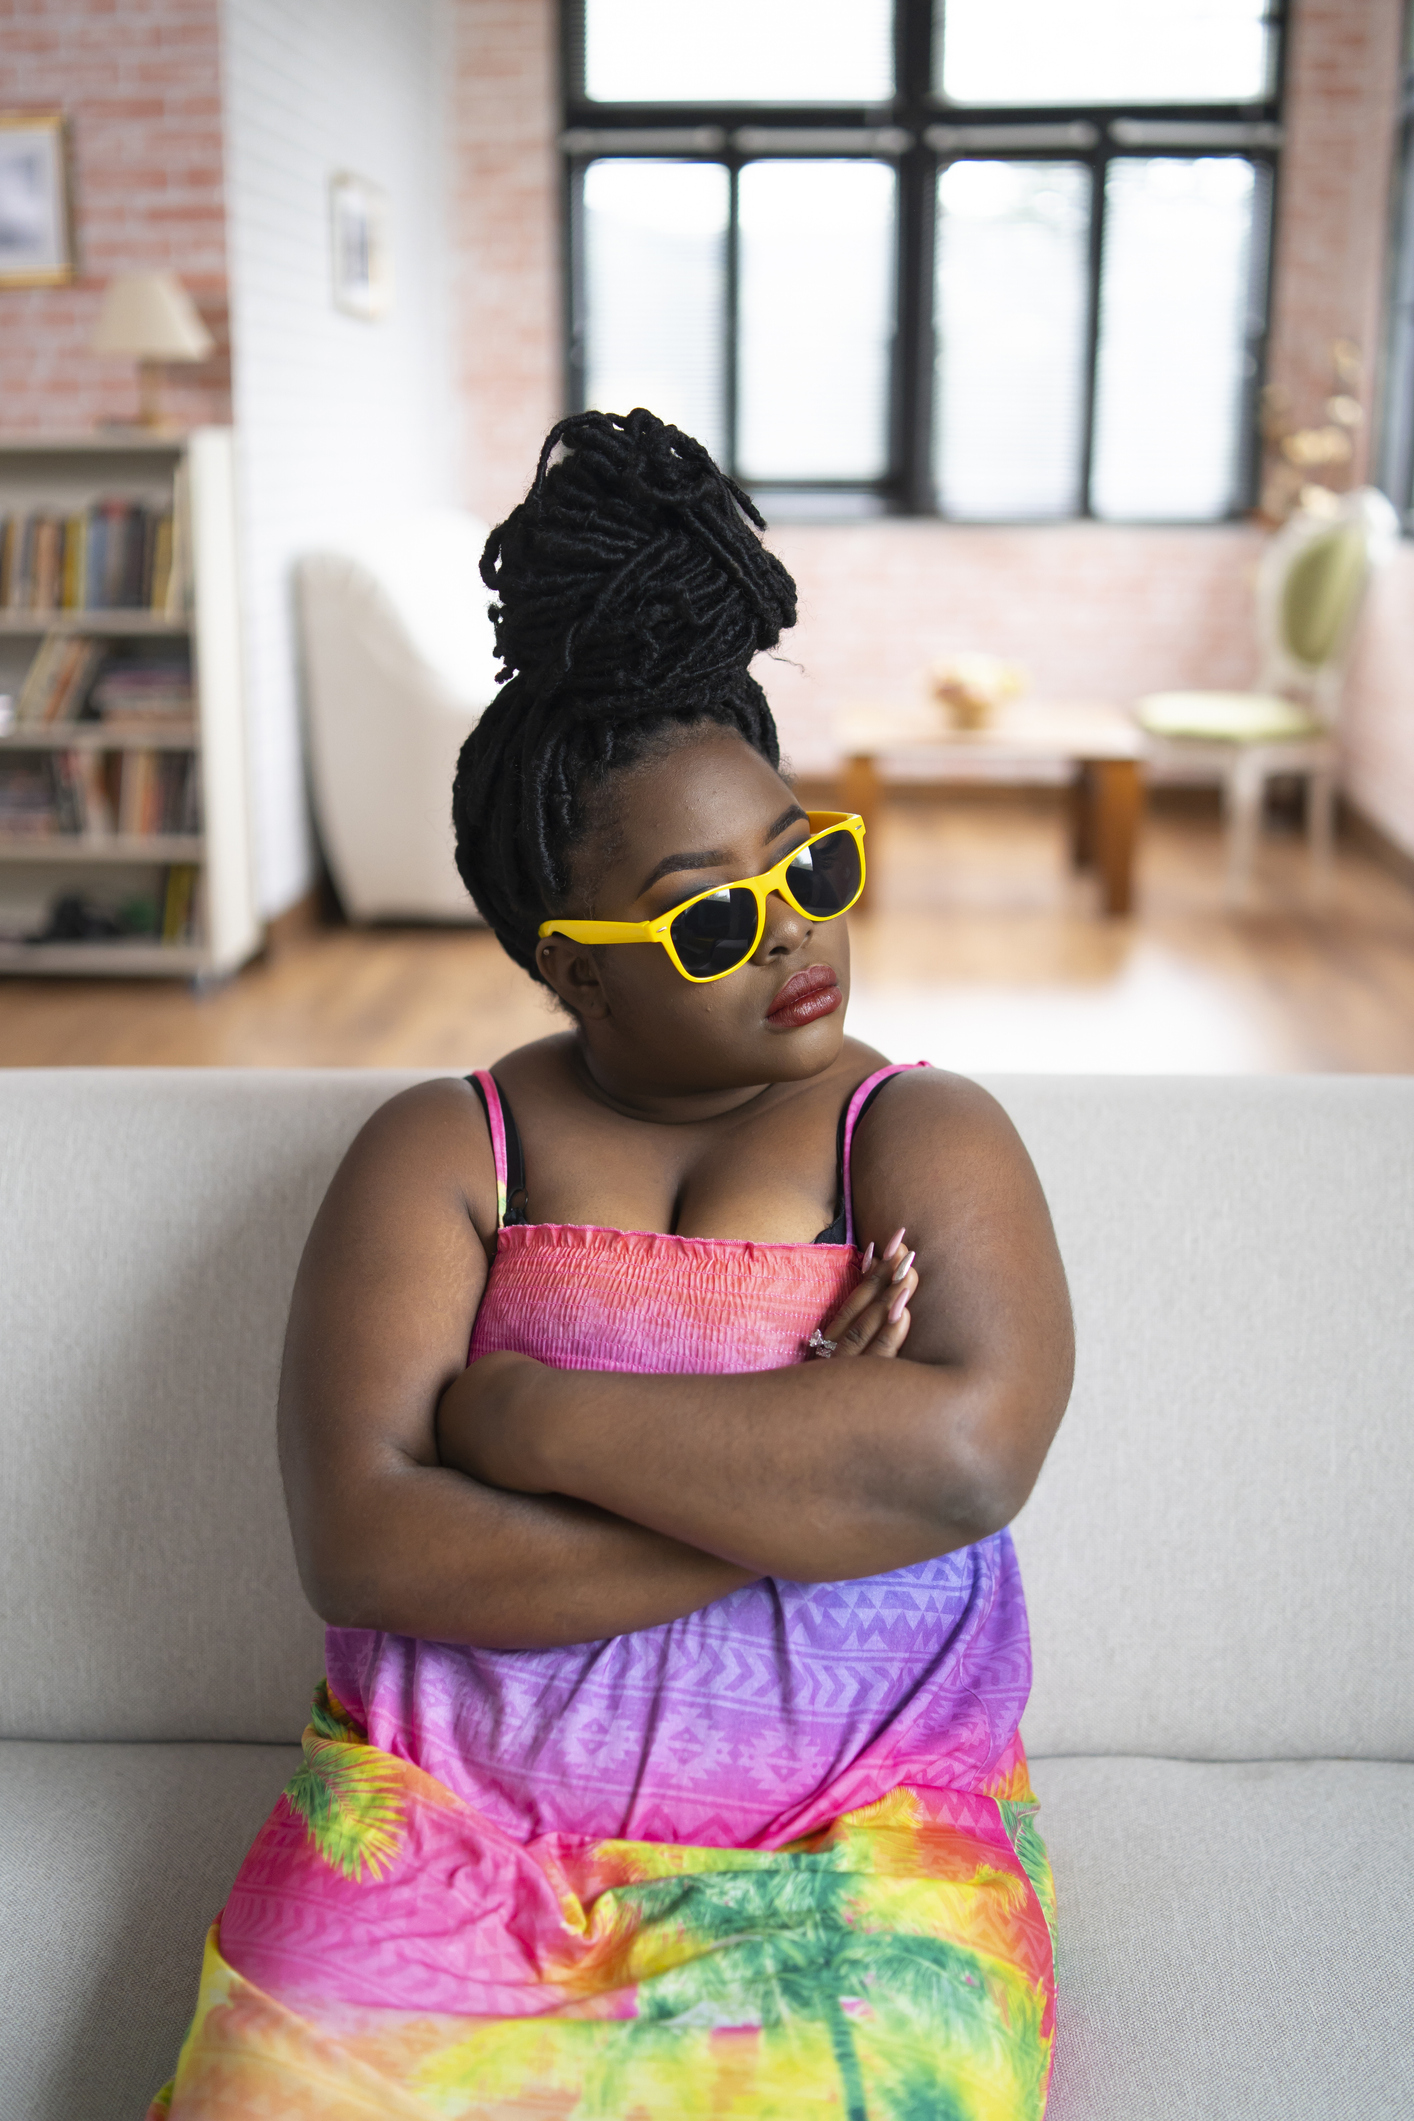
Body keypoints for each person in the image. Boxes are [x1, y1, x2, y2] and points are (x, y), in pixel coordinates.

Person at [150, 409, 1074, 2120]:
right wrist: (792, 1478)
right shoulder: (445, 1150)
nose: (790, 923)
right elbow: (364, 1541)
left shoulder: (919, 1137)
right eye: (709, 913)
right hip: (439, 1832)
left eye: (809, 858)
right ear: (570, 967)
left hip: (856, 1847)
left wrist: (519, 1417)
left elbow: (954, 1459)